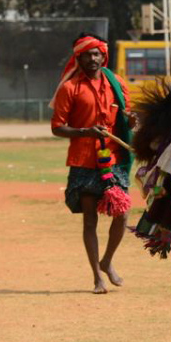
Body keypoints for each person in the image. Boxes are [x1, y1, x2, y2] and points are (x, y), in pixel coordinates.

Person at [49, 34, 134, 294]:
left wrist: (132, 121)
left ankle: (107, 261)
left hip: (115, 159)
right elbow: (57, 128)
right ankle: (96, 276)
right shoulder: (69, 87)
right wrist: (86, 131)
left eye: (97, 53)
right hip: (84, 161)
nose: (93, 58)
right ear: (79, 57)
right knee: (90, 221)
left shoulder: (116, 83)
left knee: (123, 214)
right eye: (88, 54)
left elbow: (127, 113)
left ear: (103, 55)